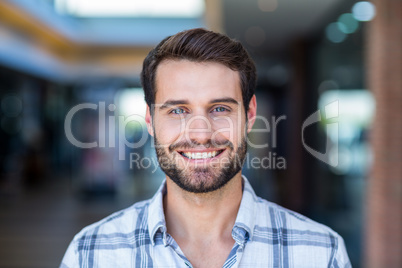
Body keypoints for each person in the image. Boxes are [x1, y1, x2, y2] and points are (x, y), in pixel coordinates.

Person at [60, 28, 351, 268]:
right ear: (150, 120)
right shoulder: (90, 254)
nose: (200, 134)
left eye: (220, 108)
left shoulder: (321, 253)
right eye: (177, 111)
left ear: (249, 115)